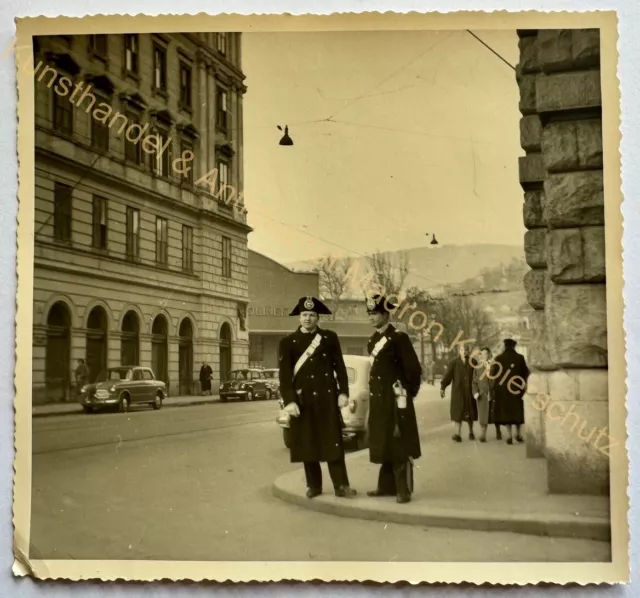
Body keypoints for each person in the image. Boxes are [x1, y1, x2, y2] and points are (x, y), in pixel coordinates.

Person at [278, 296, 357, 499]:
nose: (308, 319)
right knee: (307, 443)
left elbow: (339, 368)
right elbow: (285, 377)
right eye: (304, 315)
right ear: (299, 317)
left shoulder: (329, 338)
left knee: (333, 443)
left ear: (317, 317)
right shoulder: (288, 343)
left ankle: (341, 485)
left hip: (327, 400)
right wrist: (289, 402)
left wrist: (343, 392)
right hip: (303, 401)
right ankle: (314, 485)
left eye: (312, 315)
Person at [365, 294, 422, 504]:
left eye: (375, 314)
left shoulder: (399, 338)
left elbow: (414, 369)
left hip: (397, 400)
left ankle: (403, 490)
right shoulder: (373, 340)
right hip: (380, 401)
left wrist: (407, 394)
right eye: (369, 314)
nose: (371, 318)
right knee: (383, 442)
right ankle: (385, 487)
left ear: (386, 314)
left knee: (398, 444)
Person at [492, 338, 530, 444]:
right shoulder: (520, 358)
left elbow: (494, 374)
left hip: (503, 390)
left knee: (507, 412)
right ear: (514, 346)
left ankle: (509, 436)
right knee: (517, 411)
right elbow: (526, 373)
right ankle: (517, 434)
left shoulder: (498, 358)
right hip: (516, 389)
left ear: (505, 346)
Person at [440, 344, 478, 441]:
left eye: (466, 349)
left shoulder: (473, 362)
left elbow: (477, 376)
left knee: (470, 411)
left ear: (468, 350)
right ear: (459, 351)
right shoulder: (454, 362)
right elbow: (448, 376)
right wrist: (443, 387)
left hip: (469, 391)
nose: (464, 351)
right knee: (458, 413)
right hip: (458, 392)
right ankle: (457, 434)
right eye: (462, 349)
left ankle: (471, 432)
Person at [471, 347, 498, 443]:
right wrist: (476, 392)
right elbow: (474, 382)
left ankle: (498, 431)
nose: (484, 356)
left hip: (493, 393)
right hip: (482, 394)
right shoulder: (477, 368)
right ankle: (483, 434)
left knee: (495, 414)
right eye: (482, 354)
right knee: (483, 415)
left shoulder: (494, 366)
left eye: (486, 354)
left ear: (489, 355)